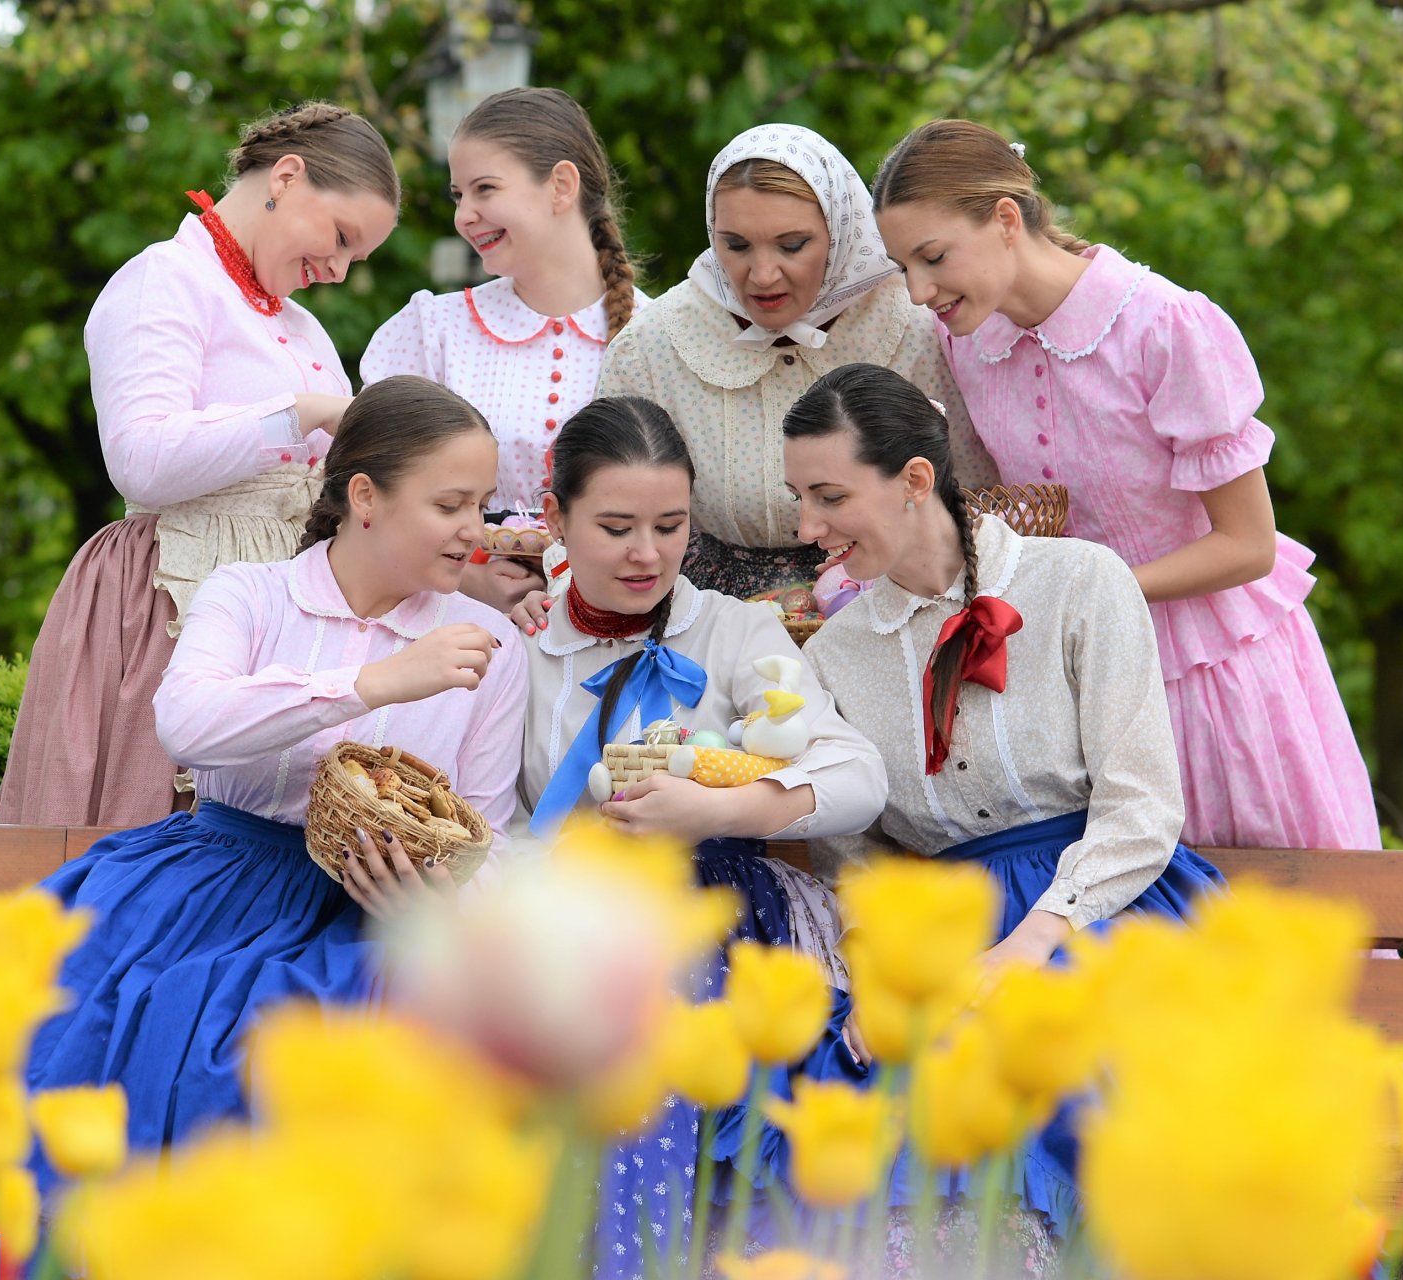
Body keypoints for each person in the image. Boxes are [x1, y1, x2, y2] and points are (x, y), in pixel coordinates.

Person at [0, 377, 526, 1199]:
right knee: (61, 1040)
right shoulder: (248, 594)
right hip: (199, 888)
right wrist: (377, 682)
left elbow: (490, 834)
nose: (478, 530)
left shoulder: (490, 642)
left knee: (283, 1075)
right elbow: (187, 724)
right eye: (452, 504)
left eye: (485, 504)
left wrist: (433, 900)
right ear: (366, 496)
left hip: (366, 925)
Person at [783, 362, 1226, 1259]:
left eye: (828, 496)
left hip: (1107, 905)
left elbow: (1142, 807)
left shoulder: (1081, 582)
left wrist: (1034, 941)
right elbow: (853, 852)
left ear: (914, 479)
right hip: (946, 931)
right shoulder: (834, 655)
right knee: (881, 1097)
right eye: (798, 498)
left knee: (1064, 1064)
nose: (806, 529)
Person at [869, 119, 1382, 852]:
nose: (919, 291)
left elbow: (1248, 547)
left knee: (1261, 929)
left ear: (1007, 220)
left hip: (1214, 677)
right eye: (903, 268)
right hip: (1081, 678)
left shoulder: (1163, 326)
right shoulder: (966, 340)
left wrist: (1090, 594)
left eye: (933, 257)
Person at [515, 394, 885, 1272]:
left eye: (670, 525)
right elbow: (490, 823)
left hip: (711, 916)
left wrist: (721, 810)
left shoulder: (735, 629)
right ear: (553, 518)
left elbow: (857, 774)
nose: (648, 554)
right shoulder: (519, 652)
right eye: (614, 527)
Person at [0, 102, 401, 828]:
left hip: (278, 622)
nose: (337, 271)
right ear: (286, 176)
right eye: (340, 238)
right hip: (165, 602)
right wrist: (301, 414)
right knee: (145, 832)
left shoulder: (300, 326)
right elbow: (142, 460)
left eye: (354, 258)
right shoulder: (165, 279)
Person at [594, 122, 997, 601]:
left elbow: (977, 498)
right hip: (709, 622)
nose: (762, 275)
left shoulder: (920, 327)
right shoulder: (653, 346)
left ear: (841, 230)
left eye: (792, 245)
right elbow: (600, 504)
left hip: (904, 607)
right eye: (736, 245)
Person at [362, 87, 644, 613]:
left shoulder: (657, 335)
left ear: (560, 186)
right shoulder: (434, 330)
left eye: (484, 189)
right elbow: (370, 499)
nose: (464, 215)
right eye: (457, 195)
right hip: (458, 637)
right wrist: (468, 583)